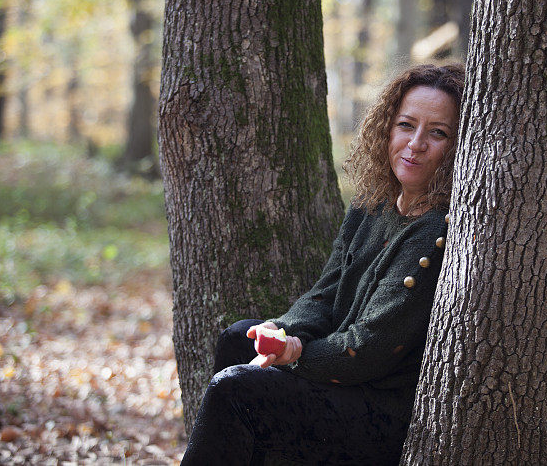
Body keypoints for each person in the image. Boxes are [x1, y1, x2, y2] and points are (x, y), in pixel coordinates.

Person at [181, 63, 465, 465]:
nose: (415, 143)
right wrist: (282, 331)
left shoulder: (436, 231)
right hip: (346, 382)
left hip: (379, 412)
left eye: (438, 133)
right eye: (406, 125)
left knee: (237, 388)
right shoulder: (373, 205)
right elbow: (325, 294)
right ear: (387, 128)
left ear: (459, 147)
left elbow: (368, 350)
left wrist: (296, 355)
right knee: (238, 339)